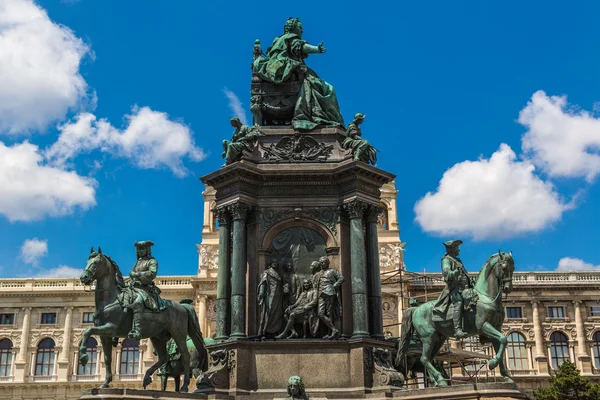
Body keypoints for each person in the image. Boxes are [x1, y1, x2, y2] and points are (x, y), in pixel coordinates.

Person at [253, 18, 344, 131]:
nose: (302, 30)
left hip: (281, 73)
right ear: (293, 29)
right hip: (294, 75)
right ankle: (326, 117)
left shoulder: (277, 41)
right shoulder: (290, 38)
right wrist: (316, 49)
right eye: (300, 28)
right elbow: (300, 47)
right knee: (328, 89)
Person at [126, 240, 166, 339]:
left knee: (138, 302)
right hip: (134, 288)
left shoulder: (152, 261)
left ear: (147, 250)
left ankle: (138, 330)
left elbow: (152, 274)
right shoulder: (138, 263)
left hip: (145, 289)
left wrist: (137, 274)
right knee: (122, 300)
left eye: (142, 249)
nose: (140, 251)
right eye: (138, 249)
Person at [432, 240, 471, 339]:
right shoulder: (446, 260)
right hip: (454, 289)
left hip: (465, 289)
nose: (459, 249)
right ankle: (457, 330)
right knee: (458, 303)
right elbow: (446, 274)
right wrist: (454, 273)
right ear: (452, 249)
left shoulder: (458, 260)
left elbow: (465, 276)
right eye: (457, 247)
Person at [308, 256, 344, 339]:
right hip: (320, 294)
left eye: (324, 262)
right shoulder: (318, 274)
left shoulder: (332, 271)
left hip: (330, 293)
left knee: (329, 313)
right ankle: (334, 329)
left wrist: (335, 285)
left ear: (328, 263)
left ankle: (330, 333)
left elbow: (341, 278)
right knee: (320, 313)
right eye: (321, 262)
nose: (322, 264)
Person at [257, 262, 284, 338]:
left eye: (276, 262)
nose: (275, 263)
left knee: (277, 314)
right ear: (271, 263)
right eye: (273, 262)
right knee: (269, 313)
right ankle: (265, 331)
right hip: (270, 296)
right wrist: (261, 292)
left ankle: (274, 331)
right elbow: (263, 283)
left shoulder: (278, 274)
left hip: (278, 296)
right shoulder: (267, 272)